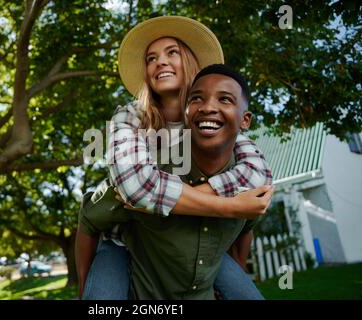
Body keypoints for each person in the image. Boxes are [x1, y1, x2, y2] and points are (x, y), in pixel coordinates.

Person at [76, 16, 272, 299]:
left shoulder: (207, 118)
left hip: (184, 234)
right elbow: (135, 187)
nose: (160, 62)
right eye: (151, 58)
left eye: (172, 53)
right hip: (125, 235)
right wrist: (229, 206)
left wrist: (163, 201)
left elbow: (257, 173)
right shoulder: (129, 116)